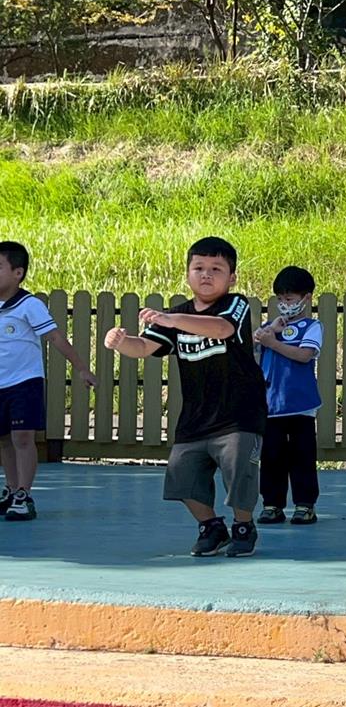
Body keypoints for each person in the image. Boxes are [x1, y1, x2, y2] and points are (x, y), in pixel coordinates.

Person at [104, 237, 267, 557]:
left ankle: (243, 526)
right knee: (181, 473)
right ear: (188, 274)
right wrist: (121, 342)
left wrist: (172, 320)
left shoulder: (236, 304)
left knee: (239, 469)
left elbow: (222, 329)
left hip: (239, 413)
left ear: (232, 277)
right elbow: (144, 347)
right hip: (196, 415)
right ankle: (211, 526)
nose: (206, 274)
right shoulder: (176, 315)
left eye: (216, 269)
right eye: (199, 268)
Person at [0, 241, 96, 521]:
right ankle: (10, 490)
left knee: (22, 437)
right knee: (4, 439)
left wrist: (81, 368)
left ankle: (24, 494)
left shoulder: (29, 305)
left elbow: (55, 338)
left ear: (18, 273)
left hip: (24, 382)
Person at [254, 266, 323, 526]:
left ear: (306, 298)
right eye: (280, 299)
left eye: (290, 299)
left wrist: (273, 343)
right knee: (271, 456)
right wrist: (269, 333)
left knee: (302, 456)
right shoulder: (269, 328)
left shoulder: (312, 327)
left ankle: (305, 505)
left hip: (301, 405)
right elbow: (249, 345)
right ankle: (271, 504)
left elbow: (304, 355)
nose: (284, 304)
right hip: (271, 405)